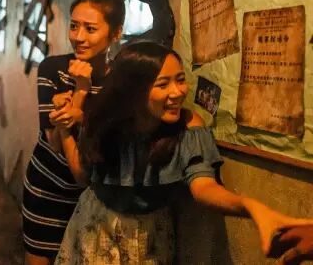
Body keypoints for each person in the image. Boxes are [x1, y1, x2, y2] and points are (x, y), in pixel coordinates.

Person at [54, 41, 313, 264]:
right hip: (96, 225)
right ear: (133, 91)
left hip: (151, 234)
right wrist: (65, 131)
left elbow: (204, 187)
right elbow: (83, 176)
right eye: (163, 84)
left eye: (180, 80)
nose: (177, 92)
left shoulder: (188, 126)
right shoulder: (104, 121)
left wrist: (251, 207)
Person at [22, 0, 127, 265]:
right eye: (74, 26)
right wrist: (81, 90)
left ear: (116, 33)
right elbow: (56, 143)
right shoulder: (52, 69)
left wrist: (79, 113)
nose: (78, 37)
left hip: (95, 196)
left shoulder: (121, 81)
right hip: (47, 189)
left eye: (90, 29)